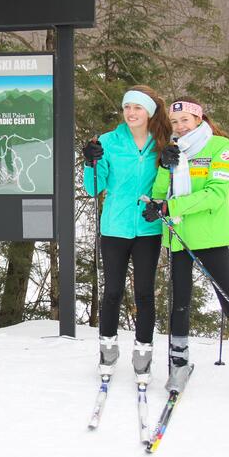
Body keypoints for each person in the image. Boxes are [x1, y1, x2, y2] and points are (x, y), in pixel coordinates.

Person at [143, 97, 229, 397]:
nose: (180, 126)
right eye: (174, 122)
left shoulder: (219, 147)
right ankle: (179, 367)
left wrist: (171, 206)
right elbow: (159, 193)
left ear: (198, 120)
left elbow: (216, 194)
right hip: (179, 236)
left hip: (211, 236)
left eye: (185, 120)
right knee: (179, 303)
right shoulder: (172, 149)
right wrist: (164, 168)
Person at [82, 85, 172, 383]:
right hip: (115, 228)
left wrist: (171, 169)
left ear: (150, 112)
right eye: (127, 107)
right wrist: (90, 163)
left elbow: (170, 185)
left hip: (148, 228)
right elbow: (93, 188)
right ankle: (107, 353)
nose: (131, 113)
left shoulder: (162, 144)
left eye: (137, 107)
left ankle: (143, 356)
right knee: (112, 292)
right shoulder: (108, 141)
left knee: (145, 293)